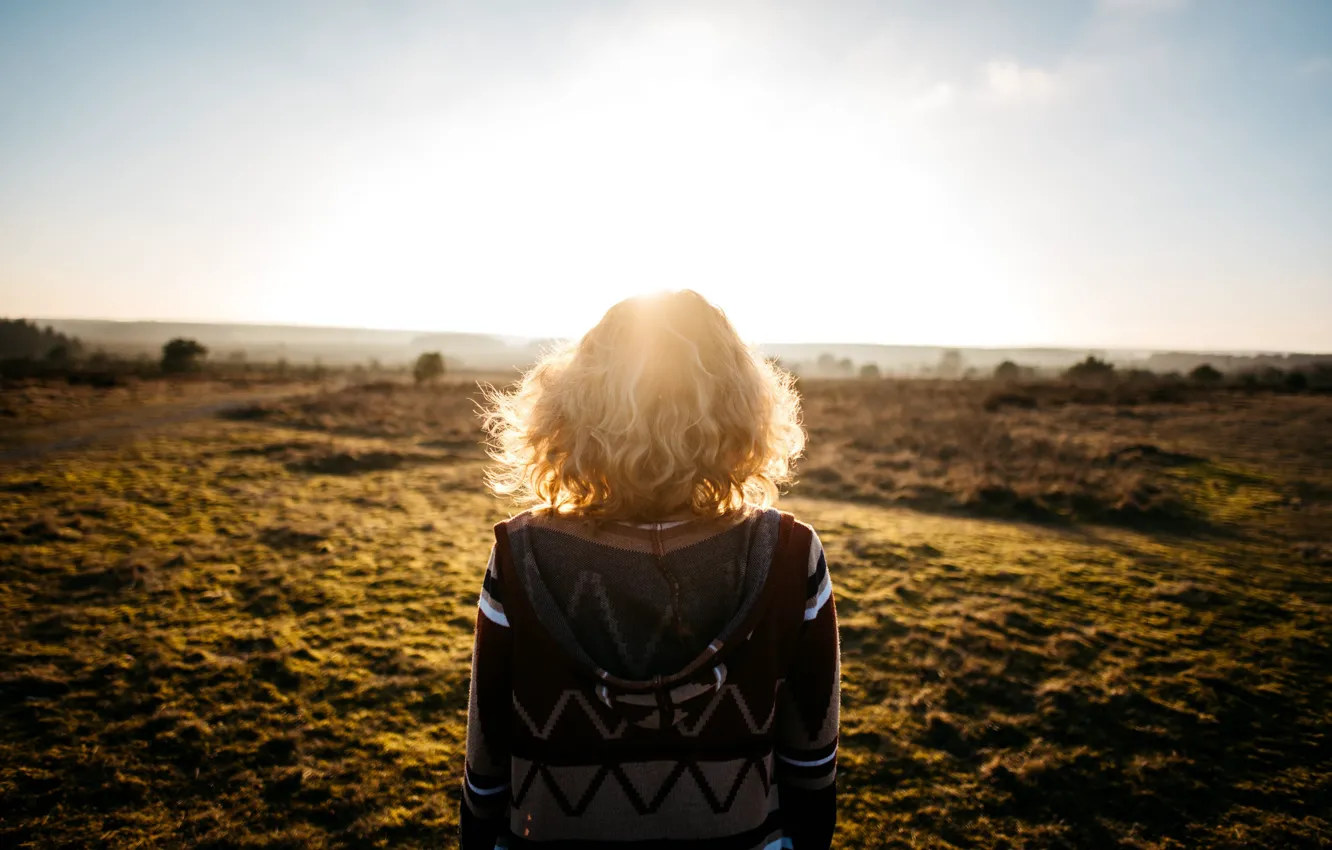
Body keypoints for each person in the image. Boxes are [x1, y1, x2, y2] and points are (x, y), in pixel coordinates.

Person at [461, 290, 840, 849]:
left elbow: (486, 763)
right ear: (738, 407)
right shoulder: (789, 553)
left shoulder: (523, 554)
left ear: (577, 405)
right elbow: (812, 763)